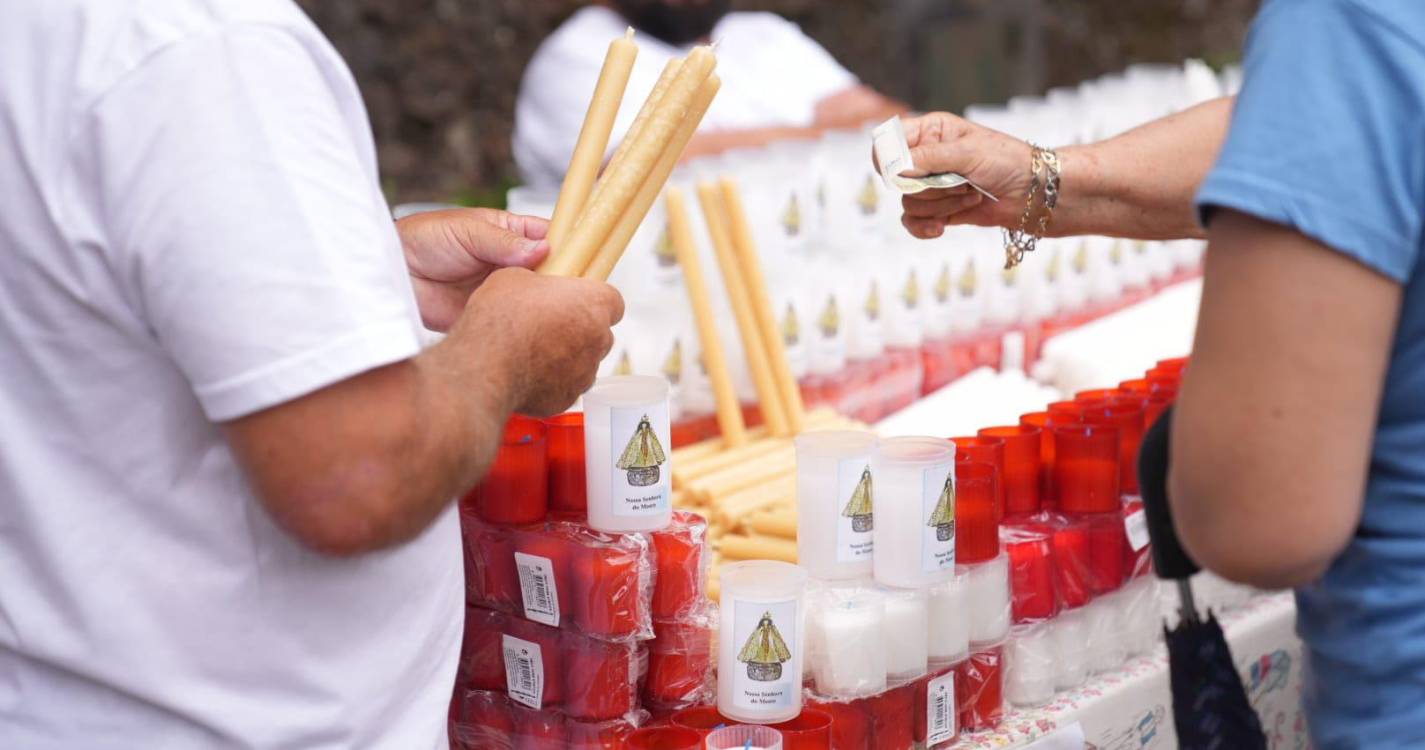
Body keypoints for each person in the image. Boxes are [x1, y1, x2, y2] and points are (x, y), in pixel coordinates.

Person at [0, 1, 623, 747]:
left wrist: (367, 271)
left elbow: (83, 297)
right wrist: (508, 351)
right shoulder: (204, 47)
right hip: (228, 722)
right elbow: (355, 479)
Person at [890, 1, 1425, 744]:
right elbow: (1320, 130)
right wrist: (1049, 180)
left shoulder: (1348, 23)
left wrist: (1199, 442)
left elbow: (1258, 522)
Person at [513, 0, 903, 189]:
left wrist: (724, 146)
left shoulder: (765, 33)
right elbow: (639, 168)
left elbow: (893, 124)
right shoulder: (578, 53)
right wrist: (828, 133)